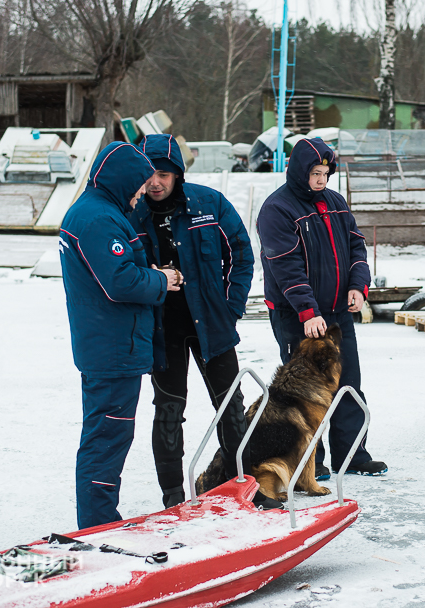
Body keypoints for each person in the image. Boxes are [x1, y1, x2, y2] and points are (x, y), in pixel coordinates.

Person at [127, 134, 283, 511]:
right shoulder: (132, 213)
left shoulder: (208, 203)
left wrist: (230, 307)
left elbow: (241, 255)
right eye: (150, 175)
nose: (156, 183)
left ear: (178, 174)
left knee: (231, 407)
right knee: (168, 412)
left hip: (212, 324)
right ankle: (173, 498)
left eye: (164, 174)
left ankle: (245, 486)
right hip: (162, 329)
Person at [60, 141, 182, 529]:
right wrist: (161, 279)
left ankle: (99, 520)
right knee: (107, 440)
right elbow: (119, 282)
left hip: (109, 344)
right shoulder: (99, 219)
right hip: (113, 349)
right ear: (123, 181)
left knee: (107, 436)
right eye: (138, 187)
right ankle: (98, 525)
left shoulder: (96, 210)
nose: (141, 194)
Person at [256, 137, 387, 478]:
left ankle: (352, 455)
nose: (321, 180)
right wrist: (308, 310)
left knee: (348, 384)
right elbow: (285, 265)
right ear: (300, 172)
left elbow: (356, 245)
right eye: (315, 174)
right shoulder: (277, 209)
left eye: (326, 174)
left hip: (337, 312)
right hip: (296, 314)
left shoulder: (335, 202)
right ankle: (310, 461)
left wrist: (358, 285)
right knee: (304, 391)